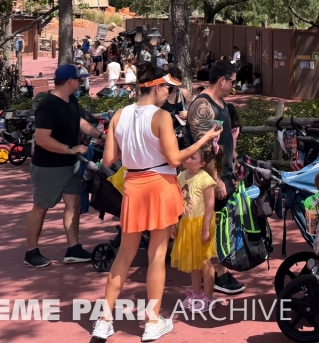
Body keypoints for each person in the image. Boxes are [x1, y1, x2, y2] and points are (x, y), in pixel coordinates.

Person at [89, 65, 221, 342]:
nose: (169, 95)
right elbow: (175, 160)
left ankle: (103, 320)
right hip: (160, 186)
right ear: (158, 87)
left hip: (134, 187)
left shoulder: (119, 115)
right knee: (157, 256)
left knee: (123, 256)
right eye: (168, 89)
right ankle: (152, 322)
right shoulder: (161, 116)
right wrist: (206, 139)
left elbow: (107, 160)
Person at [24, 64, 104, 268]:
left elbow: (78, 123)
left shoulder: (72, 101)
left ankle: (73, 248)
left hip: (70, 165)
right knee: (41, 208)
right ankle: (31, 252)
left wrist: (101, 135)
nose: (80, 82)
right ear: (70, 81)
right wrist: (71, 149)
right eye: (78, 79)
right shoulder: (48, 105)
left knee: (73, 204)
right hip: (48, 167)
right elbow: (42, 139)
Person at [186, 61, 246, 296]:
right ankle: (217, 274)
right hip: (208, 178)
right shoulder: (202, 106)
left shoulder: (221, 103)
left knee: (219, 226)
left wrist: (235, 161)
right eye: (232, 81)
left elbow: (224, 142)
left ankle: (217, 270)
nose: (233, 85)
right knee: (208, 226)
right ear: (222, 80)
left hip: (225, 173)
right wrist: (216, 179)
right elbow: (205, 149)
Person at [171, 143, 220, 308]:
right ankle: (196, 293)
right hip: (187, 223)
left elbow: (210, 206)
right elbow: (177, 203)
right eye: (188, 154)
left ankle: (208, 296)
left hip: (201, 222)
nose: (187, 158)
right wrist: (174, 223)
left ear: (202, 163)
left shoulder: (205, 179)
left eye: (193, 157)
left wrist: (206, 228)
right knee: (194, 262)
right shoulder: (180, 177)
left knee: (205, 261)